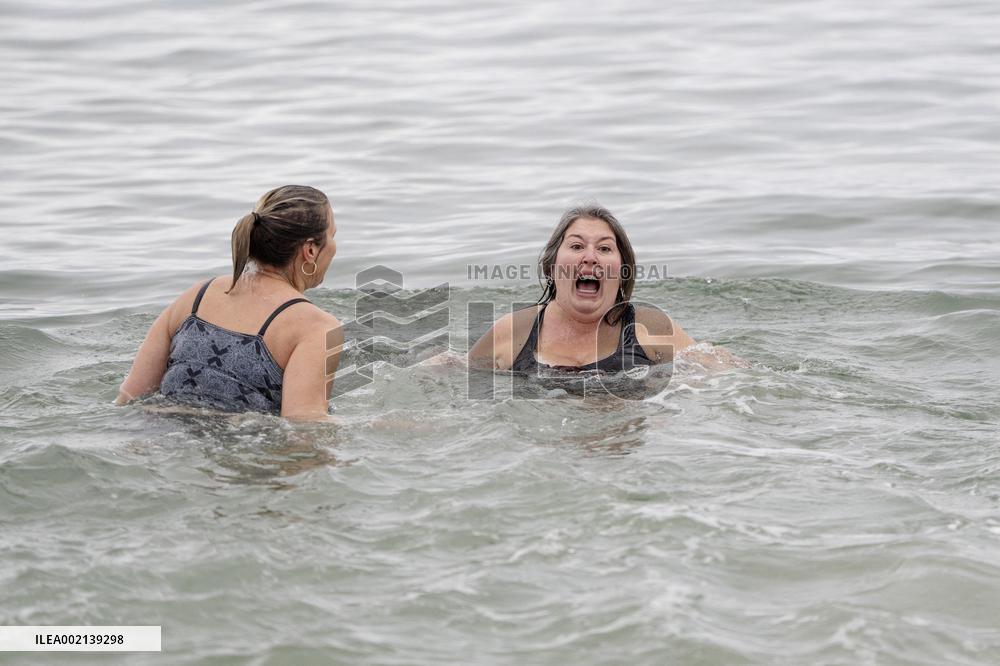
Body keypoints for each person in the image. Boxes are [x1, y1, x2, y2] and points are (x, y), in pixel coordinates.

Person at [116, 185, 343, 420]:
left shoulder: (196, 296)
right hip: (239, 448)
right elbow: (304, 434)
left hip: (154, 437)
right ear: (310, 250)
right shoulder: (315, 327)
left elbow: (130, 397)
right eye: (332, 236)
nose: (334, 246)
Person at [469, 204, 698, 374]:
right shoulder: (512, 331)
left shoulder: (651, 328)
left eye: (605, 248)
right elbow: (455, 375)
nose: (590, 257)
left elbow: (723, 373)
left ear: (622, 272)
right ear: (552, 267)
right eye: (577, 246)